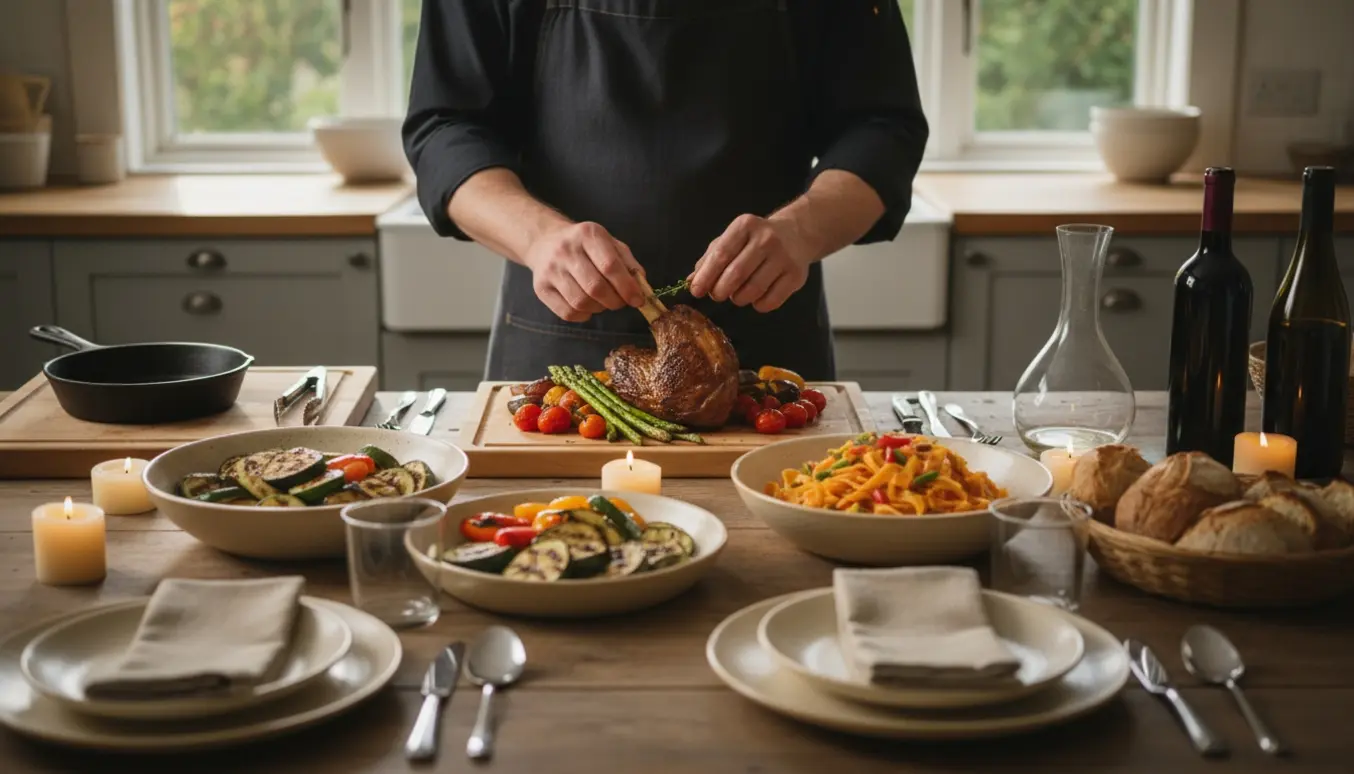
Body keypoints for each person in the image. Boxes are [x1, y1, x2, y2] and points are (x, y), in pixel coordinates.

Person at [405, 0, 928, 381]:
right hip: (559, 350)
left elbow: (882, 128)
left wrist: (803, 229)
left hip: (769, 352)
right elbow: (445, 128)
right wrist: (538, 238)